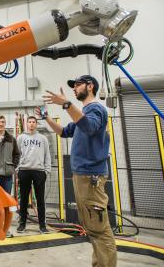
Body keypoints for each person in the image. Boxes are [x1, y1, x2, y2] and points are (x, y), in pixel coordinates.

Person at [40, 75, 117, 267]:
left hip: (91, 177)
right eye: (73, 87)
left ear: (90, 86)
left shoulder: (96, 109)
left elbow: (89, 127)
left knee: (99, 229)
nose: (74, 89)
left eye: (77, 85)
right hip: (82, 175)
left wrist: (66, 104)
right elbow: (64, 132)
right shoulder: (84, 113)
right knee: (93, 227)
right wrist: (46, 118)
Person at [16, 116, 51, 234]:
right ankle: (22, 224)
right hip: (24, 171)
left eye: (33, 122)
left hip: (39, 171)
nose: (31, 124)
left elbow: (47, 155)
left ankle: (42, 225)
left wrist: (47, 170)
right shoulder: (21, 138)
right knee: (24, 200)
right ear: (26, 124)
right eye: (29, 122)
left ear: (36, 124)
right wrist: (17, 169)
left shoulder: (43, 138)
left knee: (40, 200)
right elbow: (16, 154)